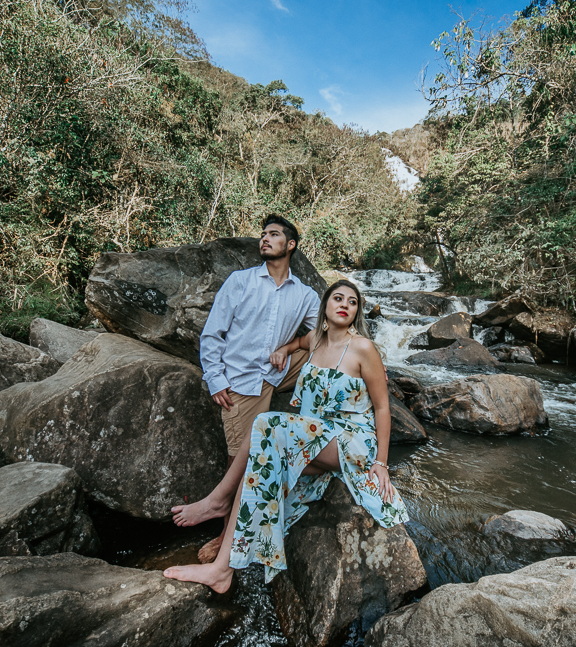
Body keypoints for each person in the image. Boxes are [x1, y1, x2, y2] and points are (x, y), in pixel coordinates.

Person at [164, 280, 409, 592]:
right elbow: (299, 343)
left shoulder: (362, 348)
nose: (344, 304)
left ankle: (218, 501)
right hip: (315, 438)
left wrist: (382, 463)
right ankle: (222, 569)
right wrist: (284, 349)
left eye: (352, 301)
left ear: (357, 311)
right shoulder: (316, 341)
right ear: (326, 306)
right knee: (260, 460)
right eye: (337, 298)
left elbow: (383, 407)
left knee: (266, 424)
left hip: (350, 441)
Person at [194, 214, 321, 562]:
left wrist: (290, 346)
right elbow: (212, 334)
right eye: (263, 235)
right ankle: (226, 531)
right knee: (244, 460)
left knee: (326, 357)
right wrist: (216, 379)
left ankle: (324, 426)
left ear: (290, 245)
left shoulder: (305, 295)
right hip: (242, 381)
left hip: (277, 372)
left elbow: (323, 335)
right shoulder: (240, 282)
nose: (264, 239)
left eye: (274, 235)